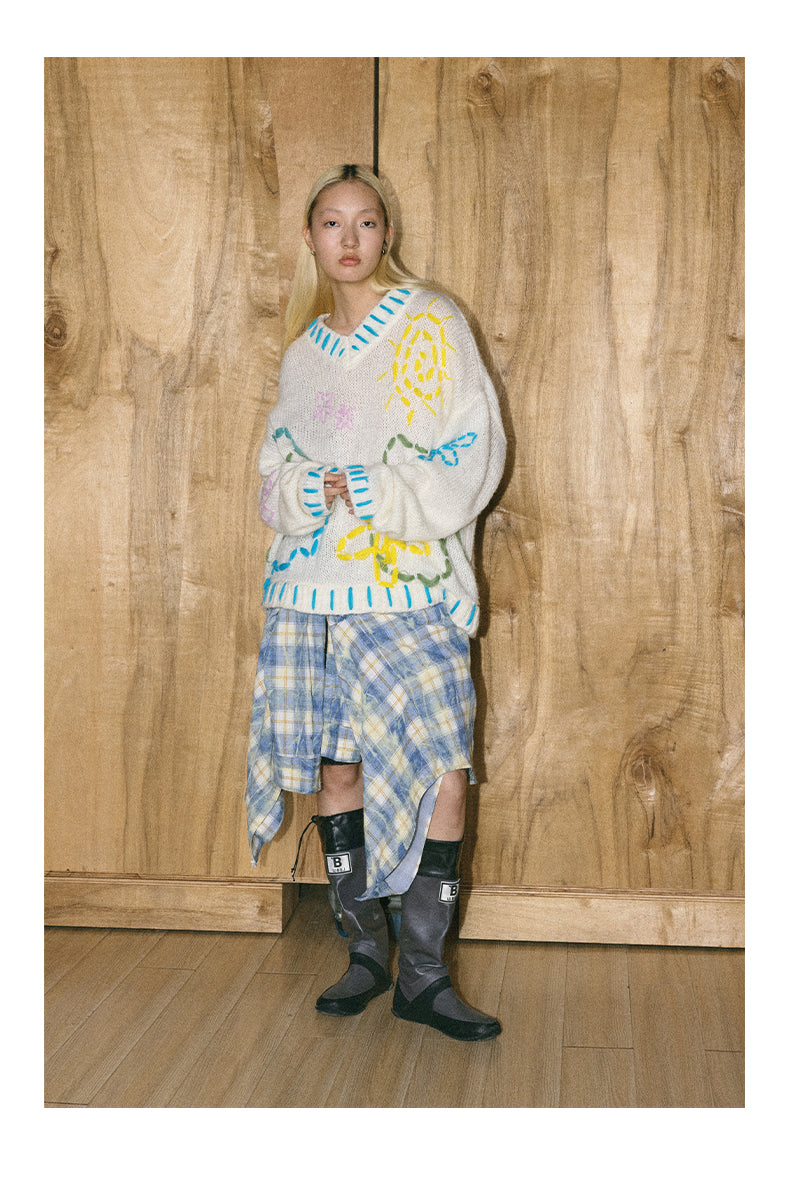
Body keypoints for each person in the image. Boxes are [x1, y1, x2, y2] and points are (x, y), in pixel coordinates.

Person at [245, 164, 506, 1041]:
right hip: (312, 595)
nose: (349, 239)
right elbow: (273, 472)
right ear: (311, 238)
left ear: (386, 234)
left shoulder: (432, 322)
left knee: (441, 770)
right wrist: (301, 492)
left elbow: (473, 446)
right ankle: (364, 952)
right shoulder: (301, 352)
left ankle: (424, 975)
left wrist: (375, 487)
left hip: (409, 589)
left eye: (365, 222)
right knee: (338, 771)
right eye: (331, 223)